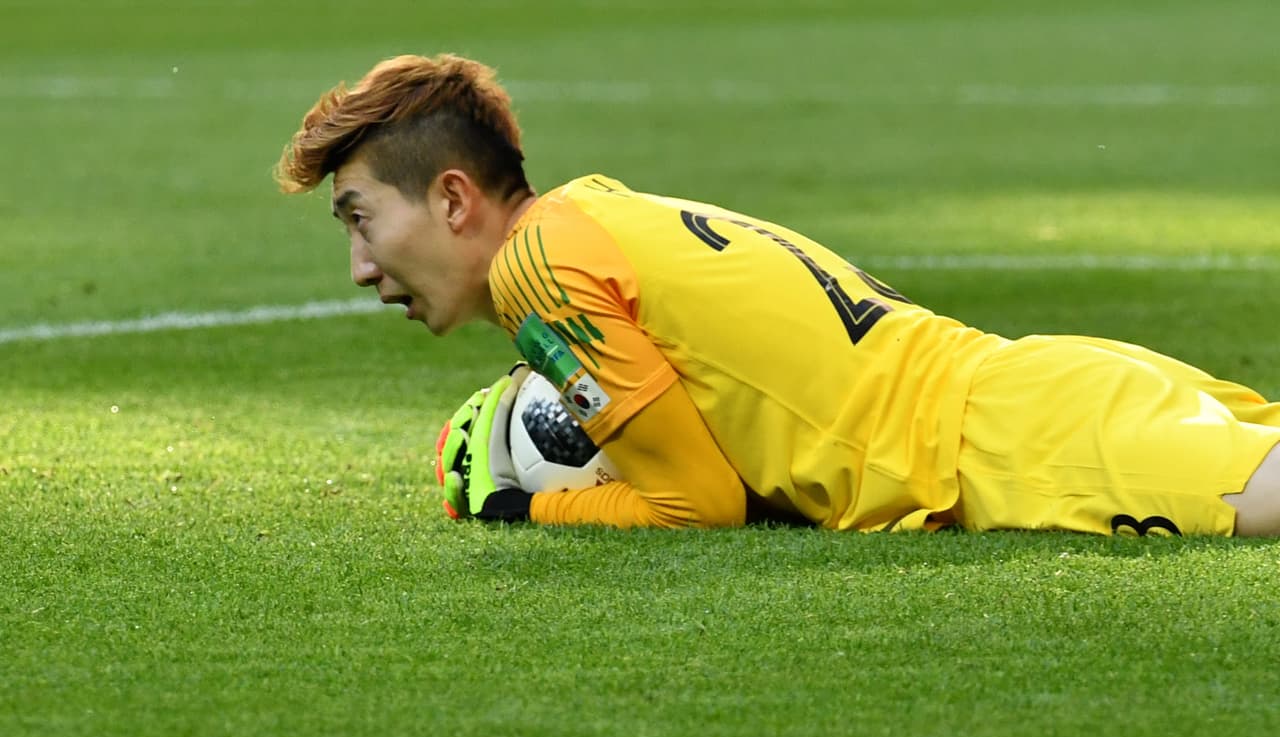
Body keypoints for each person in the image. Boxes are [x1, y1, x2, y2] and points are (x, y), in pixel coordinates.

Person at [273, 53, 1280, 536]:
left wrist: (520, 505)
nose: (361, 266)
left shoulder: (540, 269)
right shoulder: (589, 213)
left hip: (1008, 444)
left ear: (453, 198)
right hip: (1031, 390)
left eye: (359, 218)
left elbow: (693, 504)